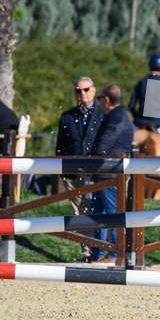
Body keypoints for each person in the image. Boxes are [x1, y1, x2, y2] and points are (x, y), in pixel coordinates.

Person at [89, 84, 134, 262]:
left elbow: (103, 146)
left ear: (106, 100)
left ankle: (115, 254)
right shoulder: (117, 115)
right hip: (108, 172)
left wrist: (90, 159)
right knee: (101, 213)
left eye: (100, 98)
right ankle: (99, 253)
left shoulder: (116, 117)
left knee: (112, 214)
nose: (99, 102)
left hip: (109, 173)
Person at [55, 76, 104, 217]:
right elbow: (60, 145)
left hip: (97, 171)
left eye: (86, 89)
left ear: (93, 91)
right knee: (78, 212)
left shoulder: (104, 114)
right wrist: (63, 171)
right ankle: (81, 232)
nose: (82, 93)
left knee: (95, 210)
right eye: (78, 91)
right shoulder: (67, 117)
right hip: (73, 172)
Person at [129, 53, 160, 148]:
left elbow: (131, 106)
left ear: (149, 65)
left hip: (140, 122)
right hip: (158, 123)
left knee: (125, 145)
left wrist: (137, 117)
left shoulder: (141, 82)